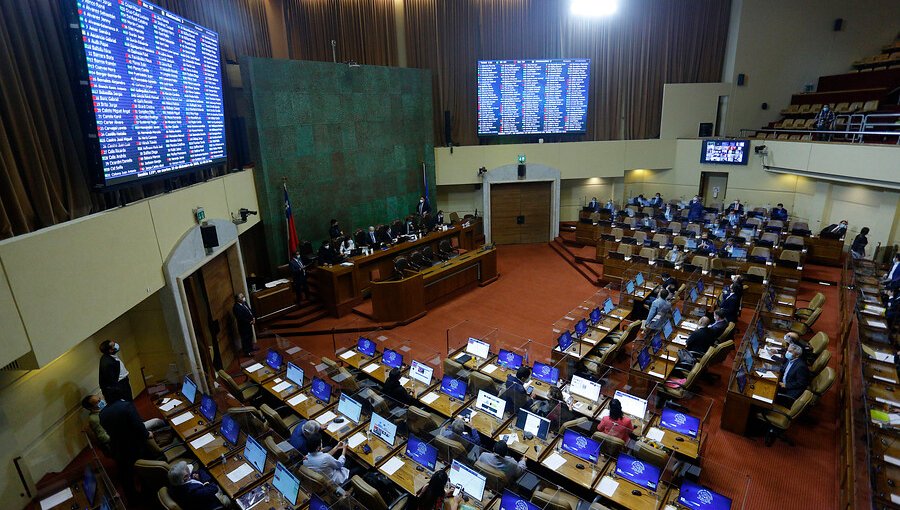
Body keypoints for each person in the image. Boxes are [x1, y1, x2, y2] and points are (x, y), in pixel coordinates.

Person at [100, 398, 154, 501]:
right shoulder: (127, 407)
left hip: (117, 447)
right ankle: (147, 494)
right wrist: (147, 434)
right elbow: (138, 426)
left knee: (125, 475)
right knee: (144, 467)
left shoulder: (102, 413)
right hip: (134, 447)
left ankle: (132, 498)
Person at [82, 394, 165, 450]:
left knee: (155, 421)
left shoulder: (105, 409)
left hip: (127, 428)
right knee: (155, 422)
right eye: (98, 402)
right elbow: (104, 438)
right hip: (124, 435)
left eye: (100, 399)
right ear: (91, 408)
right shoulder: (94, 418)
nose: (101, 402)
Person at [775, 343, 811, 407]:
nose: (787, 352)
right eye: (788, 350)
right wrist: (771, 368)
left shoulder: (801, 367)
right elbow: (784, 368)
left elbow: (801, 383)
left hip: (788, 393)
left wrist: (786, 385)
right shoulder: (790, 359)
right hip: (783, 383)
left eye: (790, 351)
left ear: (797, 355)